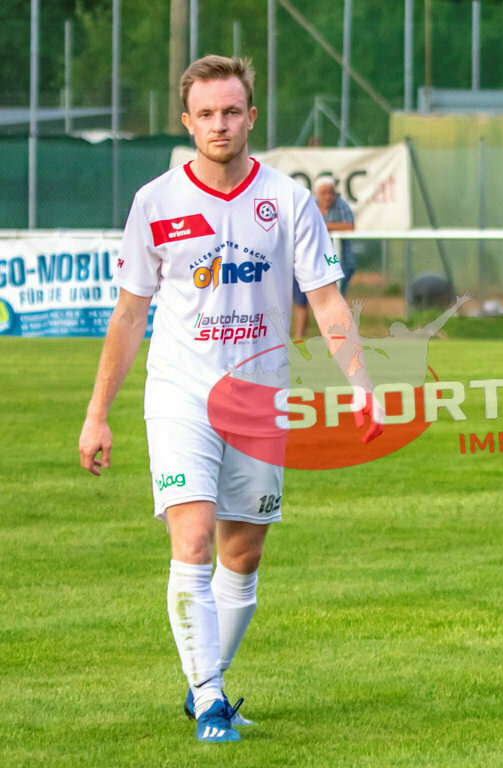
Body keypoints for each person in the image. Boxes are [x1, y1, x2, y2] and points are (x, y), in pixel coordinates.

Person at [77, 55, 379, 742]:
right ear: (187, 121)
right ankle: (212, 701)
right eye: (206, 113)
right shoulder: (156, 202)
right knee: (192, 539)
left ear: (251, 116)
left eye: (231, 111)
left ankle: (202, 682)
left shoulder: (289, 201)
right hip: (180, 392)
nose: (220, 124)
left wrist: (360, 384)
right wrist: (97, 415)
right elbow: (129, 314)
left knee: (243, 554)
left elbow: (326, 300)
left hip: (259, 399)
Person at [292, 175, 355, 338]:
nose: (328, 196)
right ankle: (299, 338)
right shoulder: (308, 205)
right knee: (301, 302)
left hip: (336, 262)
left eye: (331, 192)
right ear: (316, 193)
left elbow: (349, 226)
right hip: (309, 261)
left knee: (333, 302)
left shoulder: (341, 206)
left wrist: (323, 226)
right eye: (324, 193)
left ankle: (338, 338)